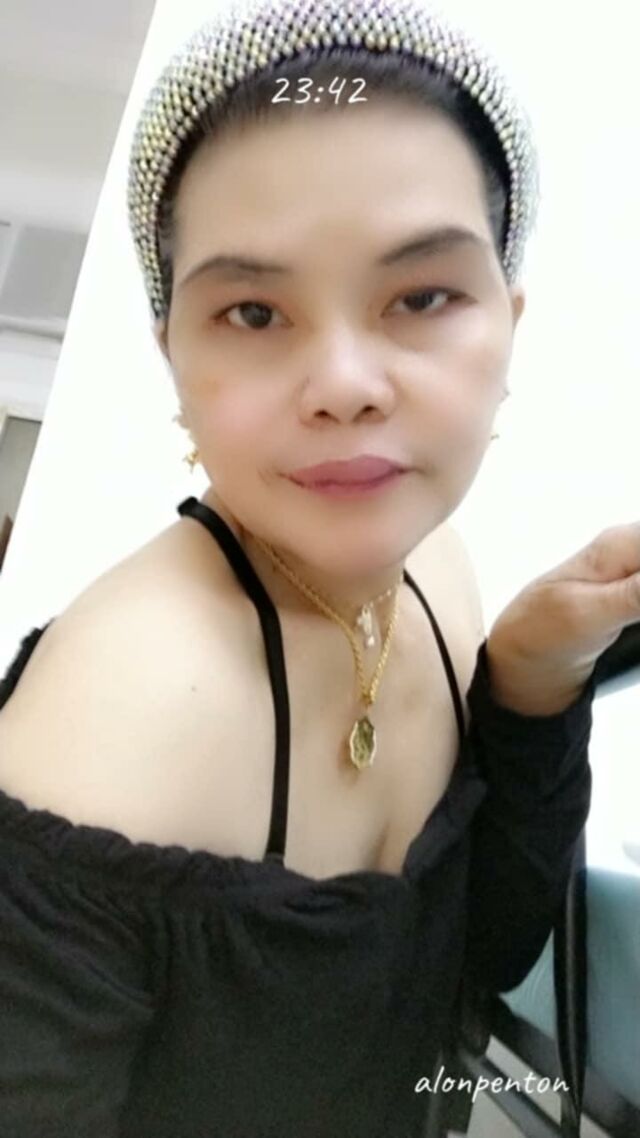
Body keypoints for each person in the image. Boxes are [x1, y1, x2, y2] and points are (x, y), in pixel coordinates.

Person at [0, 0, 600, 1134]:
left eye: (422, 296)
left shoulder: (440, 573)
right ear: (172, 357)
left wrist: (531, 682)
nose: (343, 385)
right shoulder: (123, 716)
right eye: (253, 310)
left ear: (507, 322)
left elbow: (476, 956)